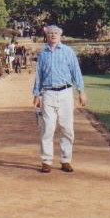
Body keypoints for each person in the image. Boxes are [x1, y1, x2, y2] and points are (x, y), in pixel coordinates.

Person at [32, 25, 88, 173]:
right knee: (47, 128)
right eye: (50, 33)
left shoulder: (68, 52)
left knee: (67, 128)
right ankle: (46, 161)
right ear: (47, 35)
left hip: (65, 93)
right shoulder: (43, 54)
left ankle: (66, 160)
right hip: (48, 93)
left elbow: (76, 72)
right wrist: (36, 94)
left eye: (56, 33)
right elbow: (39, 75)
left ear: (60, 35)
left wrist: (81, 91)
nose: (53, 35)